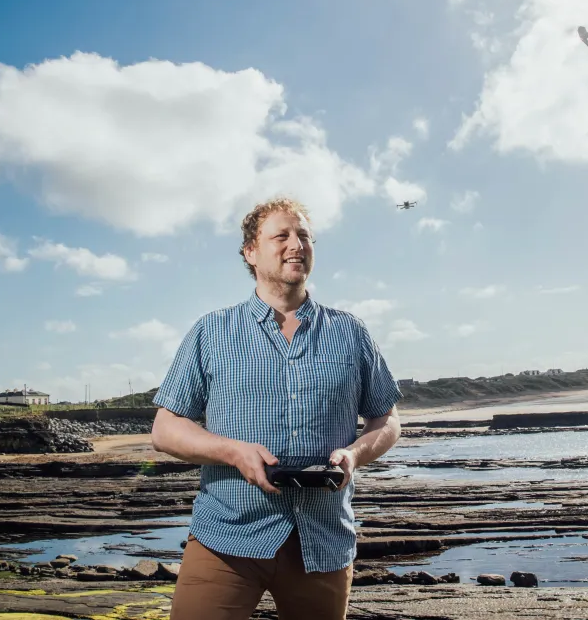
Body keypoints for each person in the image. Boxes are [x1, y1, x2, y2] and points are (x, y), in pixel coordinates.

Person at [151, 196, 403, 620]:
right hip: (227, 535)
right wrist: (232, 451)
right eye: (281, 236)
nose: (296, 245)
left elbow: (387, 420)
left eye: (304, 236)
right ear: (250, 252)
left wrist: (354, 454)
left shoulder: (350, 332)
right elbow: (165, 428)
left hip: (322, 540)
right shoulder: (212, 331)